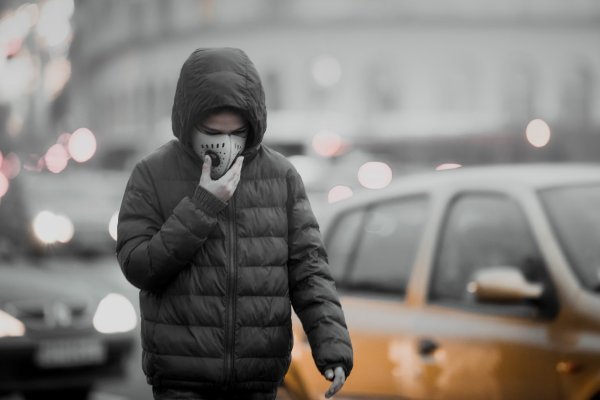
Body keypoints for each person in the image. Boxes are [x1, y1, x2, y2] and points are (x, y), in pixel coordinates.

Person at [116, 47, 353, 400]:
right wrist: (202, 205)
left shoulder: (281, 176)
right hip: (182, 380)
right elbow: (138, 265)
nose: (225, 143)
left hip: (258, 378)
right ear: (189, 122)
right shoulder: (152, 173)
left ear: (253, 126)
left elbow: (309, 269)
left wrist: (332, 348)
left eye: (237, 132)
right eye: (212, 131)